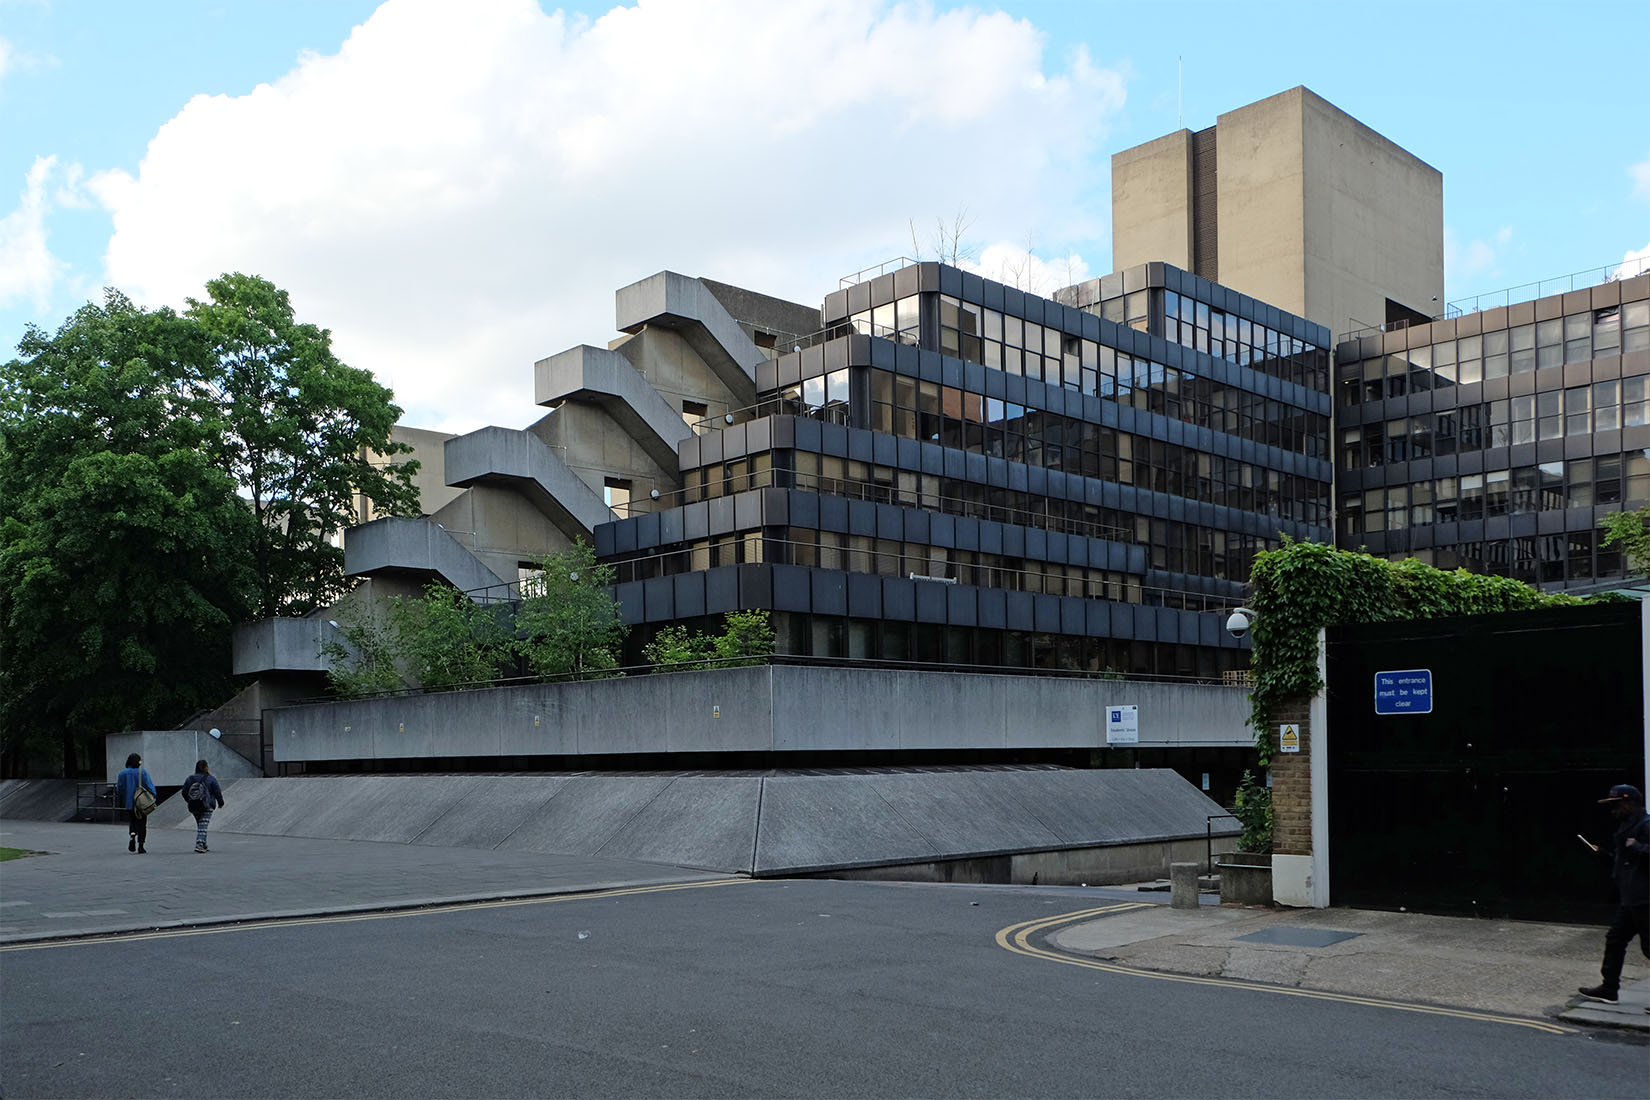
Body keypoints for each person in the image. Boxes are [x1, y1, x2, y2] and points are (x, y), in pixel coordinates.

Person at [1578, 783, 1650, 1004]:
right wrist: (1605, 856)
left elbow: (1640, 854)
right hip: (1630, 899)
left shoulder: (1645, 826)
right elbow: (1627, 863)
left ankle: (1609, 988)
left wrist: (1637, 846)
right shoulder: (1626, 827)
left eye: (1617, 805)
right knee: (1615, 940)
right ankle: (1609, 989)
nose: (1613, 810)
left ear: (1631, 803)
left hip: (1646, 899)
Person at [113, 753, 157, 854]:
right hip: (142, 803)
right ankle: (141, 846)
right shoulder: (143, 773)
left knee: (132, 820)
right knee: (142, 823)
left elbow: (120, 788)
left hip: (129, 802)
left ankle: (132, 835)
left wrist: (123, 797)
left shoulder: (123, 773)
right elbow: (149, 786)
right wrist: (153, 796)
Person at [181, 758, 226, 854]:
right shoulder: (211, 778)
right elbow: (217, 792)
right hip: (207, 805)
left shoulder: (190, 778)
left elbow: (184, 792)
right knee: (203, 825)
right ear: (206, 768)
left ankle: (204, 843)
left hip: (193, 805)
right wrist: (221, 803)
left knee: (201, 825)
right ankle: (199, 844)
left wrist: (189, 800)